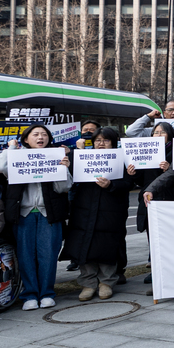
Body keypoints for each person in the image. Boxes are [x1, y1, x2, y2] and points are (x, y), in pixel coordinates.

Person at [0, 124, 71, 310]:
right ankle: (29, 295)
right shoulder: (17, 155)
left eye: (44, 134)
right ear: (26, 139)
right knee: (25, 256)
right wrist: (11, 149)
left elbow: (63, 188)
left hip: (49, 214)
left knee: (48, 255)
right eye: (35, 134)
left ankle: (46, 293)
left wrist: (63, 169)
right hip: (23, 214)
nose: (40, 137)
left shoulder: (55, 156)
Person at [62, 127, 133, 301]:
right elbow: (69, 177)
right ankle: (88, 283)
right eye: (98, 140)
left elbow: (129, 183)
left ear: (113, 143)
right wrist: (70, 158)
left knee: (107, 245)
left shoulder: (122, 158)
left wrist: (111, 185)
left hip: (111, 209)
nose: (101, 144)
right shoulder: (82, 157)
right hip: (84, 208)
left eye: (105, 140)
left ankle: (107, 282)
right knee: (84, 244)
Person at [133, 121, 174, 285]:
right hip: (149, 200)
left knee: (169, 239)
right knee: (153, 237)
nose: (158, 136)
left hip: (169, 199)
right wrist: (134, 173)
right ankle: (156, 271)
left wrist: (169, 168)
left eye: (162, 133)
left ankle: (169, 272)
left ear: (170, 136)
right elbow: (140, 180)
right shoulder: (146, 152)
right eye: (155, 133)